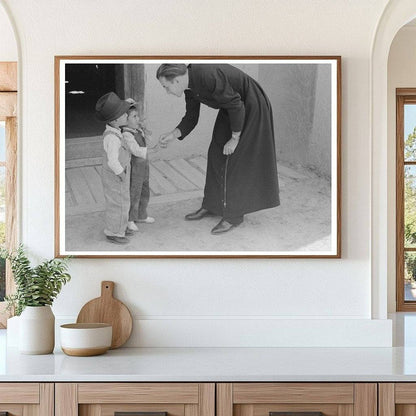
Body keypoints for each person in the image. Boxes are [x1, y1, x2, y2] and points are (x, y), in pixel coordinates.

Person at [157, 63, 280, 234]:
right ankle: (212, 205)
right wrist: (173, 134)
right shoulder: (189, 87)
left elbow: (237, 105)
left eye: (166, 86)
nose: (167, 91)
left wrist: (235, 138)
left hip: (251, 105)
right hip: (232, 106)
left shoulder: (206, 75)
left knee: (236, 159)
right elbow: (191, 117)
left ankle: (234, 216)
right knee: (216, 152)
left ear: (176, 80)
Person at [95, 92, 147, 244]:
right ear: (116, 120)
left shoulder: (115, 129)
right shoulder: (112, 138)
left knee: (124, 201)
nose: (127, 115)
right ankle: (114, 232)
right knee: (117, 204)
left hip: (121, 173)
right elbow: (112, 161)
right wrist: (121, 174)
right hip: (115, 176)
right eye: (124, 114)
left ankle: (122, 227)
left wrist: (127, 102)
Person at [122, 103, 155, 231]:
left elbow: (149, 139)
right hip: (134, 169)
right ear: (125, 120)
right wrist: (152, 150)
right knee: (134, 193)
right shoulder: (127, 135)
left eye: (138, 116)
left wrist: (145, 130)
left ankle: (141, 215)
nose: (138, 119)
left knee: (144, 191)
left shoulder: (138, 131)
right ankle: (130, 218)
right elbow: (136, 151)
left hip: (144, 167)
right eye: (134, 116)